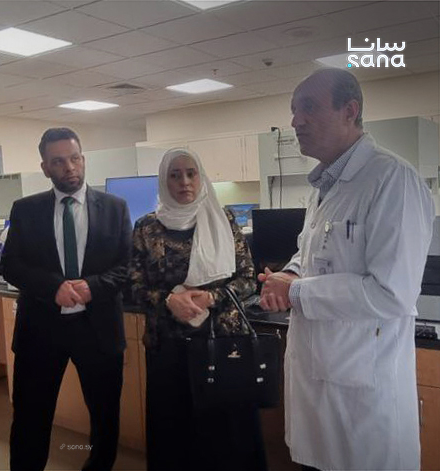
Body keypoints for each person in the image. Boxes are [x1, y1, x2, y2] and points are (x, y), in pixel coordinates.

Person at [258, 68, 435, 471]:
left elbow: (391, 293)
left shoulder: (392, 180)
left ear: (349, 111)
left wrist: (296, 292)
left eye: (308, 107)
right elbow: (313, 254)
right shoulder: (325, 186)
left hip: (362, 402)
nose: (295, 121)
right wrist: (291, 275)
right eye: (293, 109)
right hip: (321, 389)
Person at [2, 127, 132, 471]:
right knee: (30, 417)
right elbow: (11, 264)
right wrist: (53, 287)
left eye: (74, 158)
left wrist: (93, 286)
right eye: (58, 161)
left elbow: (128, 266)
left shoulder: (115, 208)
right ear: (45, 167)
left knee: (105, 417)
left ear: (83, 159)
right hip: (40, 330)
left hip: (99, 329)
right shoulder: (26, 209)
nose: (69, 167)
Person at [129, 148, 267, 471]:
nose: (184, 182)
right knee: (175, 437)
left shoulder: (223, 219)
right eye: (175, 175)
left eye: (191, 173)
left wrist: (211, 298)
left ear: (201, 176)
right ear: (164, 181)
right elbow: (133, 286)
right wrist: (169, 300)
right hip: (169, 349)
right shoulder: (146, 227)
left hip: (223, 345)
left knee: (227, 439)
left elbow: (248, 279)